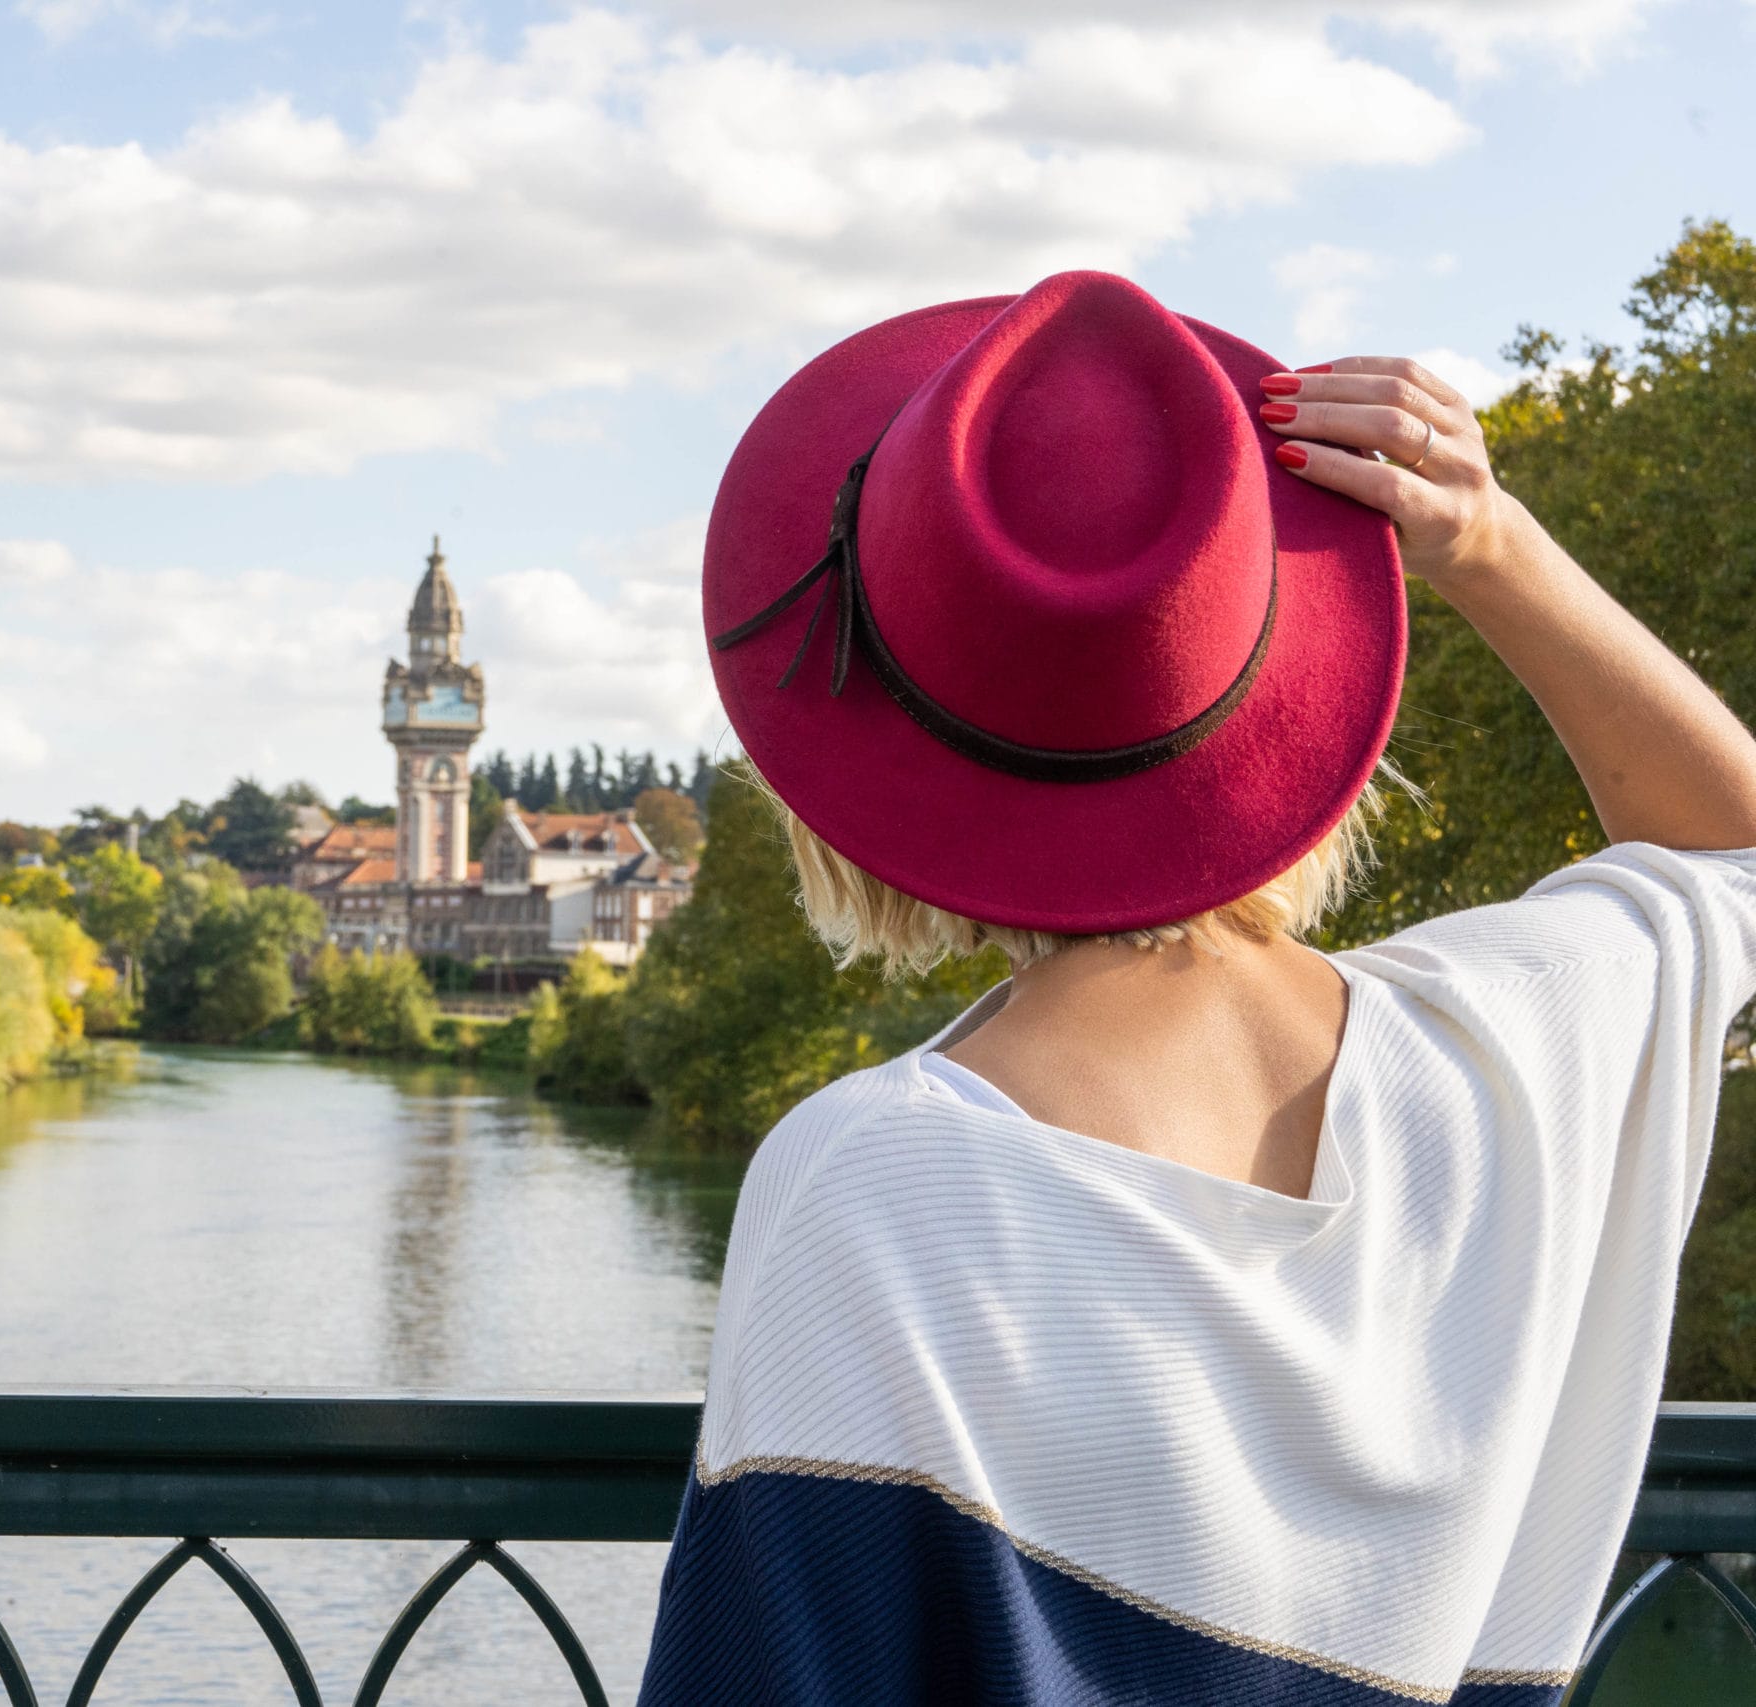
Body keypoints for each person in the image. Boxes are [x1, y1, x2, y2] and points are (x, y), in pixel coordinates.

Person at [637, 270, 1756, 1705]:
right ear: (1268, 673)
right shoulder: (1511, 1051)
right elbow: (1731, 848)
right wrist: (1489, 540)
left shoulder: (879, 1179)